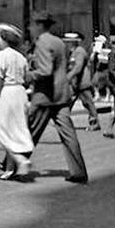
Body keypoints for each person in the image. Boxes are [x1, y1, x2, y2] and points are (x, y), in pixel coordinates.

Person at [26, 11, 88, 183]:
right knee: (69, 135)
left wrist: (29, 75)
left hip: (45, 96)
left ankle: (12, 165)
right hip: (62, 95)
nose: (30, 29)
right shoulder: (59, 42)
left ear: (39, 25)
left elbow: (45, 71)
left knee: (29, 131)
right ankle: (79, 172)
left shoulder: (42, 42)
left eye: (31, 25)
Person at [0, 24, 34, 181]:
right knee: (13, 130)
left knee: (0, 129)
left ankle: (21, 161)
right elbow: (26, 77)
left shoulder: (3, 55)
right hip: (20, 93)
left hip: (8, 93)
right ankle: (10, 169)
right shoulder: (21, 57)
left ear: (3, 40)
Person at [64, 32, 99, 131]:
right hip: (74, 82)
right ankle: (64, 122)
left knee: (87, 103)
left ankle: (94, 122)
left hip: (82, 82)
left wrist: (68, 77)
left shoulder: (79, 51)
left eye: (69, 42)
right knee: (67, 101)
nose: (67, 44)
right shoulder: (73, 52)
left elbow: (78, 67)